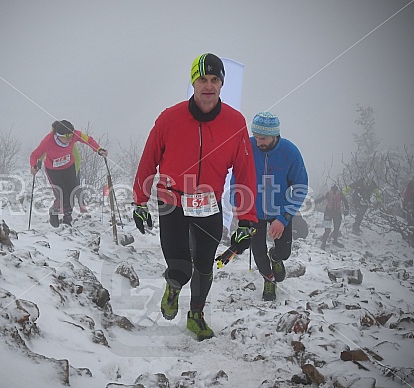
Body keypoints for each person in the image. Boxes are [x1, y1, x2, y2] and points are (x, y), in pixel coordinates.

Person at [132, 53, 258, 341]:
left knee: (204, 264)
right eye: (203, 79)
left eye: (215, 79)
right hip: (172, 201)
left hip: (208, 204)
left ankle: (196, 315)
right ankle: (174, 286)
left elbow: (245, 171)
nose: (209, 85)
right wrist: (139, 201)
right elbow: (149, 159)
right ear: (193, 82)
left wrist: (247, 219)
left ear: (222, 83)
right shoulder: (169, 118)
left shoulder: (234, 122)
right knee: (180, 267)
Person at [232, 111, 308, 302]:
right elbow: (237, 176)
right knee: (257, 252)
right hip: (253, 211)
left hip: (280, 209)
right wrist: (238, 204)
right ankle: (269, 279)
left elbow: (300, 187)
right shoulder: (248, 147)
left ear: (275, 135)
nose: (258, 143)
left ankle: (276, 256)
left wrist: (283, 219)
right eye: (256, 137)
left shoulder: (290, 152)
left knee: (284, 251)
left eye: (263, 138)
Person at [30, 120, 107, 227]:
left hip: (68, 167)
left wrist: (99, 149)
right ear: (59, 136)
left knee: (72, 192)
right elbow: (34, 155)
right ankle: (54, 211)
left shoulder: (73, 135)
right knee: (61, 195)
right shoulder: (48, 141)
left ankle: (67, 218)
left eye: (71, 136)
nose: (70, 139)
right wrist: (34, 166)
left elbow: (87, 139)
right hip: (53, 170)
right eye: (67, 137)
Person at [316, 184, 349, 249]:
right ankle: (324, 242)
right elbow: (320, 199)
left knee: (337, 227)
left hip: (337, 212)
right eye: (333, 192)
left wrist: (347, 210)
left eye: (335, 192)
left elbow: (346, 202)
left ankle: (335, 241)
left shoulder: (340, 195)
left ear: (337, 191)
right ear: (331, 191)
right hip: (328, 212)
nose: (334, 194)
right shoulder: (328, 194)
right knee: (327, 229)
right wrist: (312, 202)